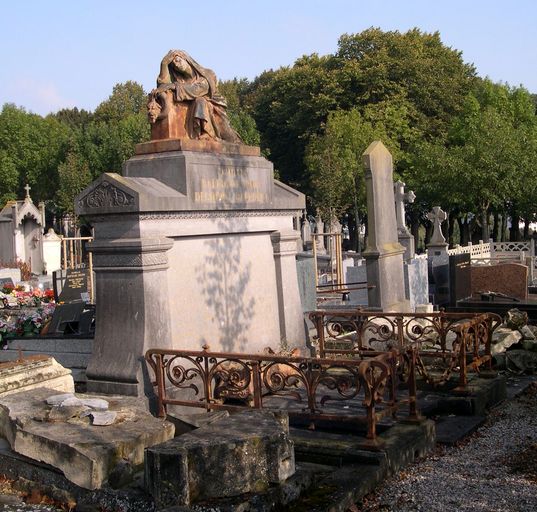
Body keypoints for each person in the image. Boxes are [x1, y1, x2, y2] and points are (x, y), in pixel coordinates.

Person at [148, 50, 241, 143]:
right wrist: (164, 64)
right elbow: (162, 87)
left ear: (186, 59)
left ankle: (211, 133)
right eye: (172, 65)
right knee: (199, 101)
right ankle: (205, 133)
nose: (176, 65)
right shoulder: (180, 81)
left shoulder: (207, 74)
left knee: (230, 139)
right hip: (194, 111)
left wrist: (174, 86)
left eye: (177, 60)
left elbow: (198, 90)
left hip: (215, 110)